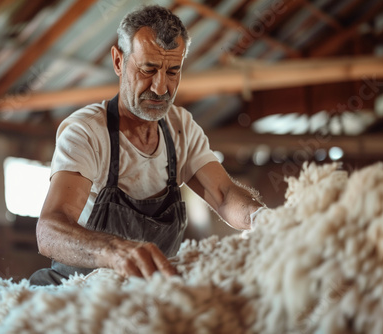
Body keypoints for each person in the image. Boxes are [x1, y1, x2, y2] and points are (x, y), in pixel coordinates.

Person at [29, 5, 266, 286]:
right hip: (77, 291)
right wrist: (114, 251)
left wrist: (261, 218)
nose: (161, 88)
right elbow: (49, 230)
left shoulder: (181, 127)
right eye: (148, 69)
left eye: (173, 71)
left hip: (150, 295)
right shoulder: (87, 132)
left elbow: (225, 195)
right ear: (118, 61)